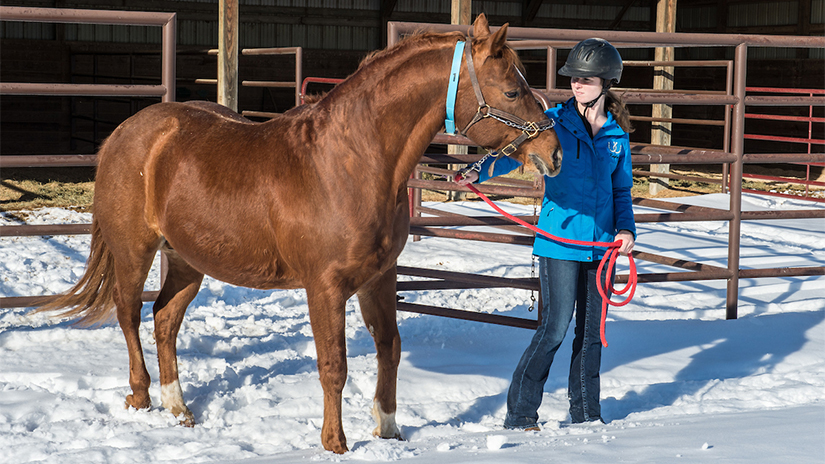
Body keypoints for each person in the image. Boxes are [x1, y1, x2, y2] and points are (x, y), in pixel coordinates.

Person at [455, 38, 636, 429]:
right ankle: (521, 414)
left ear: (607, 82)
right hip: (559, 241)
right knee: (554, 328)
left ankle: (587, 413)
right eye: (574, 78)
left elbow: (622, 190)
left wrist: (625, 229)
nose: (577, 85)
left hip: (602, 246)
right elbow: (514, 149)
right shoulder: (554, 121)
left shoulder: (617, 137)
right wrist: (478, 172)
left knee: (591, 335)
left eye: (586, 79)